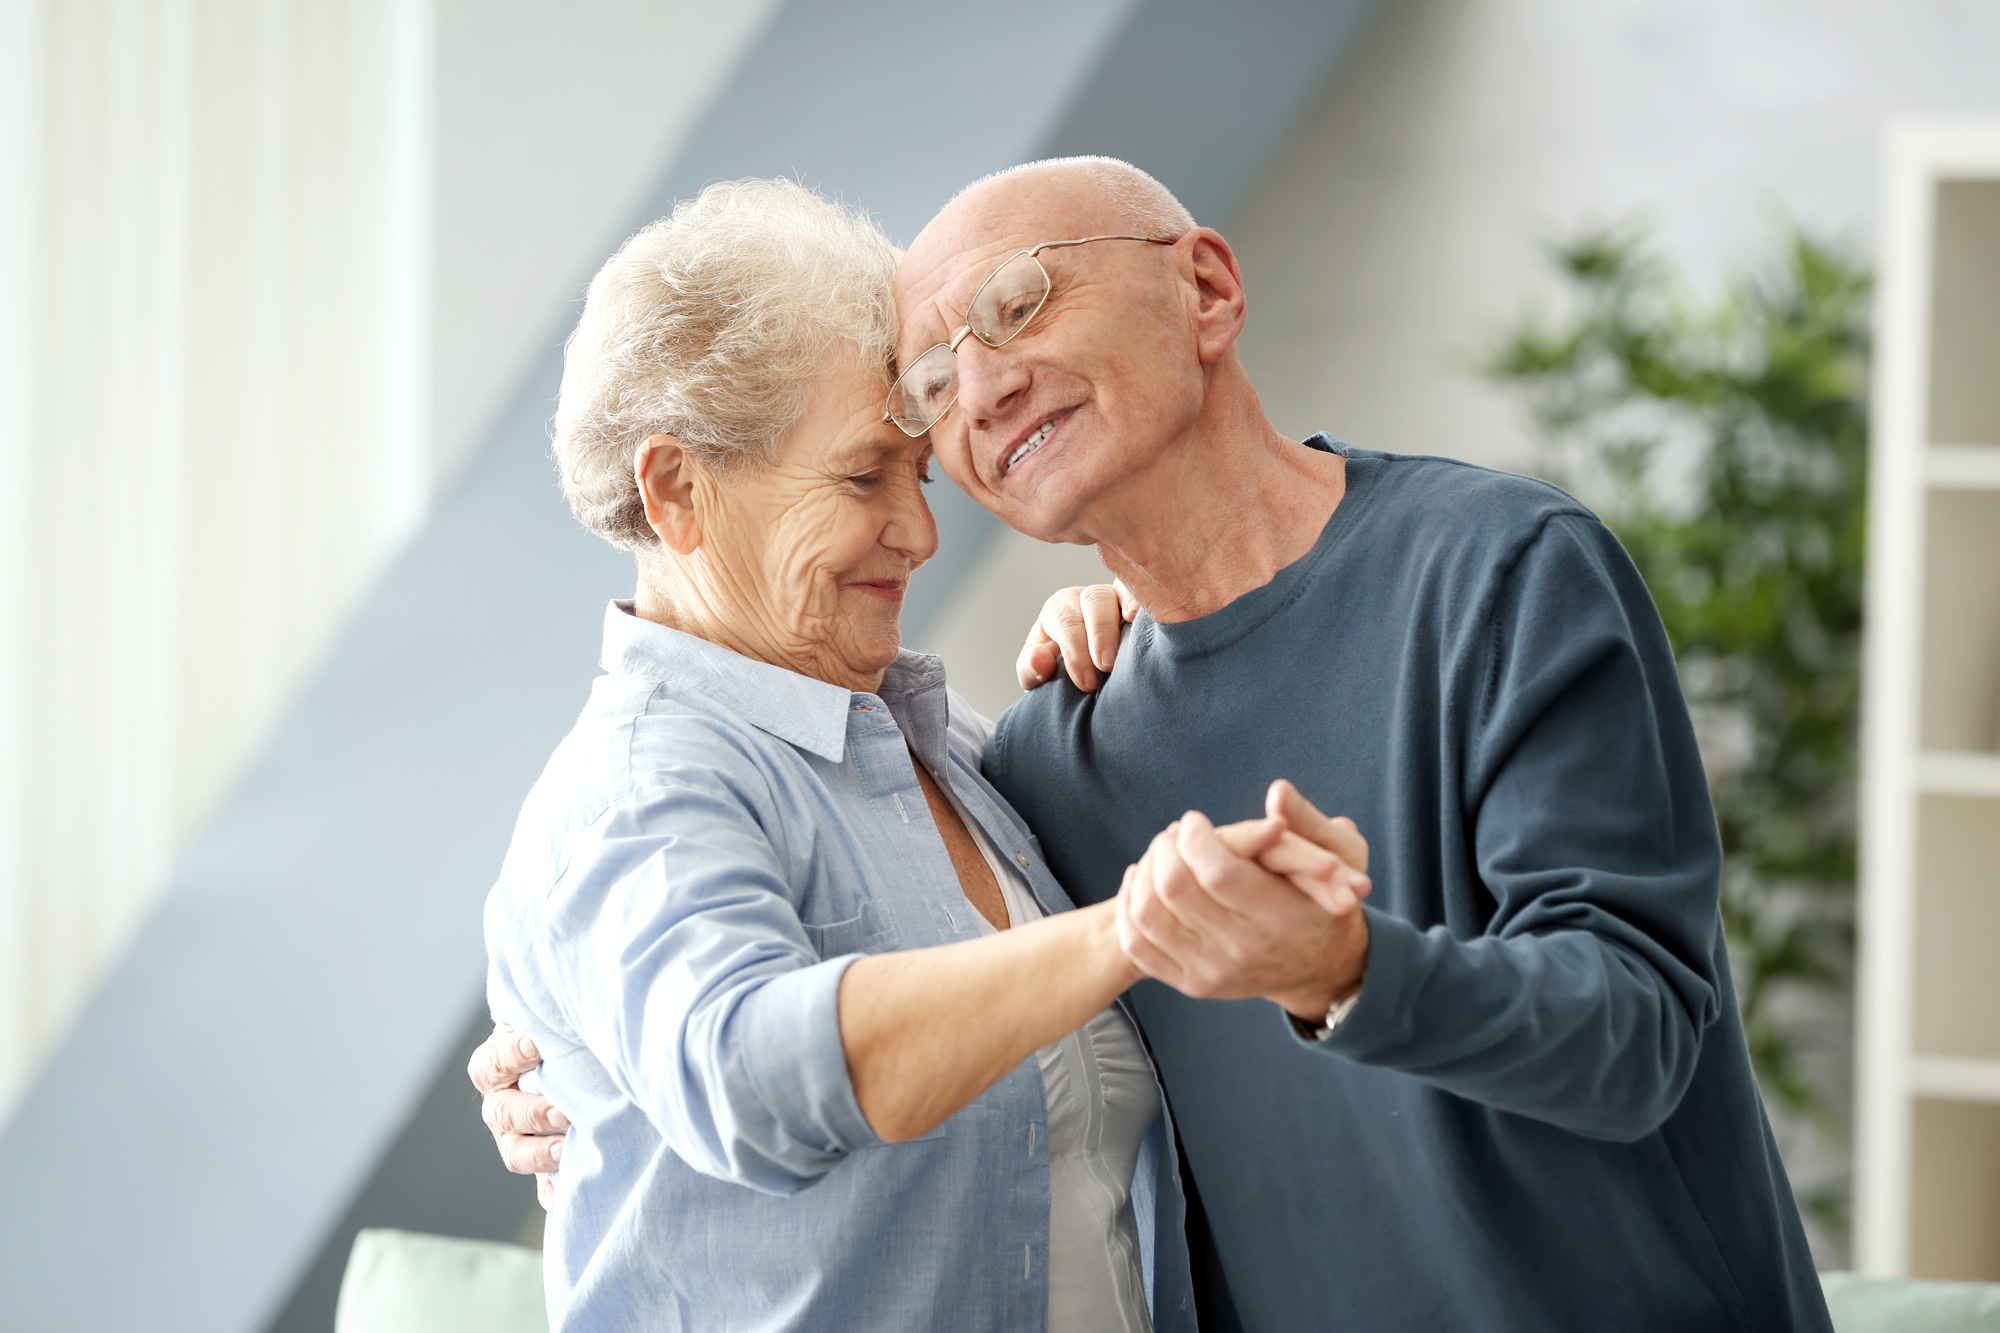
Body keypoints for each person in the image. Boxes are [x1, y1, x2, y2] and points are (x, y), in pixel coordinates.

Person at [480, 157, 1831, 1330]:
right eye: (933, 386)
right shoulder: (1038, 759)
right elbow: (732, 1045)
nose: (982, 395)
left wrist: (1349, 966)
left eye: (1017, 302)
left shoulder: (1494, 575)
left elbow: (1640, 1032)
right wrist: (562, 1049)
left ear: (1208, 290)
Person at [477, 176, 1369, 1333]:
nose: (922, 531)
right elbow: (748, 1075)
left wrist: (1118, 642)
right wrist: (1128, 929)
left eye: (919, 473)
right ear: (677, 488)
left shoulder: (948, 750)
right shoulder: (636, 788)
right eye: (862, 477)